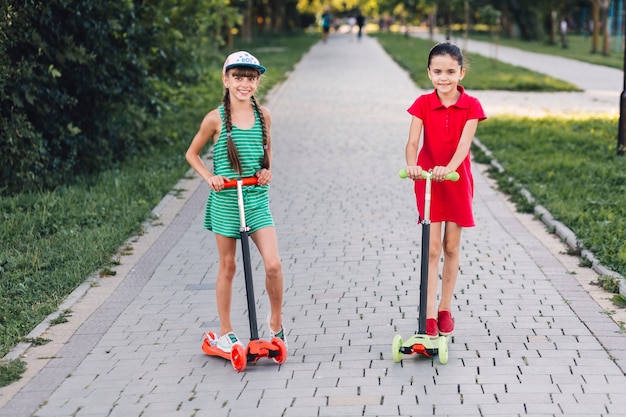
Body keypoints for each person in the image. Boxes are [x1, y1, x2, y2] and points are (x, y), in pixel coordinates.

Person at [186, 51, 286, 353]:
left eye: (251, 78)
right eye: (239, 77)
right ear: (226, 79)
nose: (245, 83)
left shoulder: (263, 114)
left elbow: (267, 153)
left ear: (258, 81)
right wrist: (209, 177)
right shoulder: (214, 119)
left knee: (273, 265)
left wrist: (267, 171)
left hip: (256, 200)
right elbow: (191, 154)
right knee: (228, 266)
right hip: (226, 202)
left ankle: (276, 322)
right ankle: (226, 331)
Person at [404, 42, 486, 338]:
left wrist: (449, 168)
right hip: (427, 180)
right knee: (433, 247)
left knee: (451, 247)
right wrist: (412, 165)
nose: (444, 77)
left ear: (461, 73)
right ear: (429, 73)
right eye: (438, 71)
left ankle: (445, 307)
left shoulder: (472, 106)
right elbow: (413, 142)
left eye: (450, 71)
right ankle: (427, 314)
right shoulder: (422, 104)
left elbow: (465, 145)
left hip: (455, 179)